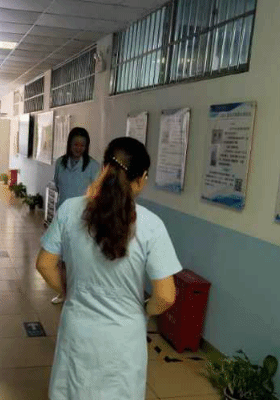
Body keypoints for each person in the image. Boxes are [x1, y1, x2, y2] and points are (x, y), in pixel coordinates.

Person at [36, 137, 182, 400]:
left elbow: (44, 265)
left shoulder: (70, 210)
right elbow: (166, 295)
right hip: (124, 338)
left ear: (103, 168)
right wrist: (143, 310)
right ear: (142, 179)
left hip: (78, 330)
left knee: (73, 391)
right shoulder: (151, 225)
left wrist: (70, 292)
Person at [51, 127, 100, 304]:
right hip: (63, 217)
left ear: (87, 146)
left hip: (83, 218)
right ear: (69, 144)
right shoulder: (60, 163)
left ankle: (79, 294)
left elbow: (97, 193)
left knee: (80, 259)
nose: (79, 148)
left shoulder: (93, 166)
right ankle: (64, 293)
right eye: (75, 144)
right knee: (63, 258)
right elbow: (58, 185)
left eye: (82, 145)